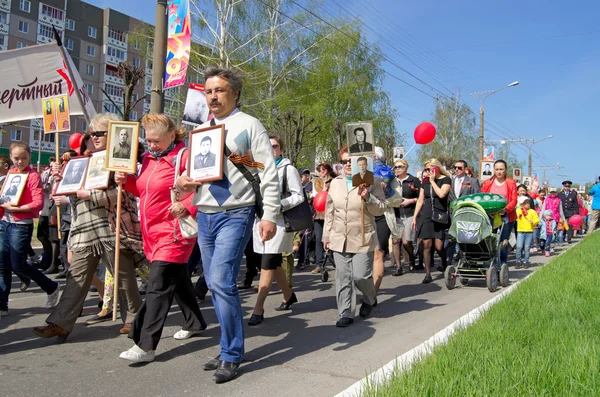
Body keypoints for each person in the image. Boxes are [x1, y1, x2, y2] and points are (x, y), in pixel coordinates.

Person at [176, 66, 279, 383]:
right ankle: (227, 347)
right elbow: (192, 176)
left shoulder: (249, 125)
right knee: (215, 283)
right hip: (204, 213)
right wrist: (183, 183)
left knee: (220, 279)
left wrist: (270, 214)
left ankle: (232, 354)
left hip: (236, 211)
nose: (212, 96)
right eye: (208, 91)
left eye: (219, 90)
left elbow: (267, 172)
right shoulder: (201, 129)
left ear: (234, 93)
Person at [33, 114, 143, 341]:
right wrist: (60, 179)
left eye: (99, 133)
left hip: (110, 226)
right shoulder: (80, 161)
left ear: (111, 134)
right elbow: (68, 192)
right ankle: (60, 322)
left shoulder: (120, 159)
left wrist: (89, 195)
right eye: (91, 134)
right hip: (83, 227)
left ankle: (133, 318)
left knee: (122, 275)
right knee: (76, 277)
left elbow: (124, 194)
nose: (93, 138)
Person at [116, 114, 207, 363]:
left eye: (157, 140)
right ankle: (194, 321)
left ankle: (145, 344)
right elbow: (143, 190)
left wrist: (188, 205)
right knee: (176, 280)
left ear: (172, 135)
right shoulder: (147, 158)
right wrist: (127, 181)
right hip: (151, 232)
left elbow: (205, 186)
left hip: (174, 231)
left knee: (157, 286)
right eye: (149, 140)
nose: (152, 145)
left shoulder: (185, 157)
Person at [322, 144, 386, 327]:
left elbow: (381, 208)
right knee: (343, 276)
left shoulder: (372, 181)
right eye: (344, 161)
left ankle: (369, 298)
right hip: (339, 237)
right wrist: (326, 236)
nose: (348, 164)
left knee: (360, 276)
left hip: (362, 236)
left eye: (351, 160)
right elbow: (330, 211)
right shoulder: (335, 183)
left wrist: (368, 197)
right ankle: (345, 312)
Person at [0, 143, 60, 317]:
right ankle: (2, 304)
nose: (20, 162)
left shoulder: (33, 176)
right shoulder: (11, 174)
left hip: (21, 223)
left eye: (24, 158)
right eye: (16, 158)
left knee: (19, 263)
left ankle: (51, 287)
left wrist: (16, 209)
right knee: (3, 263)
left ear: (30, 157)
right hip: (4, 221)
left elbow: (38, 203)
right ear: (11, 157)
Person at [248, 134, 302, 326]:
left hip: (278, 223)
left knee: (267, 262)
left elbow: (298, 196)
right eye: (268, 146)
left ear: (281, 149)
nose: (272, 150)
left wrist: (280, 205)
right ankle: (288, 295)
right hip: (260, 221)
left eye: (276, 146)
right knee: (273, 262)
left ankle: (258, 308)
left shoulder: (288, 169)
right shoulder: (258, 168)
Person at [411, 159, 452, 283]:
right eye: (426, 170)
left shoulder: (445, 179)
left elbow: (441, 194)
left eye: (430, 169)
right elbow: (420, 200)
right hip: (427, 214)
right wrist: (414, 217)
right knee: (427, 244)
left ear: (437, 168)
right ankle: (428, 273)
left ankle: (445, 262)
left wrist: (433, 181)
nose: (428, 172)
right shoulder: (425, 182)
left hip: (439, 214)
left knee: (439, 246)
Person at [480, 160, 518, 267]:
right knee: (491, 240)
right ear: (494, 170)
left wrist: (505, 210)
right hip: (491, 216)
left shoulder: (511, 183)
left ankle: (502, 264)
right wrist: (488, 211)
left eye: (501, 169)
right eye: (497, 169)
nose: (499, 172)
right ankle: (490, 263)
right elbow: (483, 198)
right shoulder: (487, 183)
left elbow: (514, 200)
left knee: (503, 242)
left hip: (506, 216)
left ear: (505, 170)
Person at [446, 159, 481, 265]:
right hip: (453, 215)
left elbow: (477, 197)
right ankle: (447, 262)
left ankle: (465, 260)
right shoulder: (450, 181)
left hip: (467, 214)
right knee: (452, 238)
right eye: (455, 167)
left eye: (459, 168)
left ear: (465, 169)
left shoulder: (472, 181)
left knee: (465, 239)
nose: (456, 170)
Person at [391, 159, 420, 275]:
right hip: (396, 214)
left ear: (406, 168)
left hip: (409, 213)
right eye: (395, 167)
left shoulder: (414, 180)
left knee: (406, 241)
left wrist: (410, 201)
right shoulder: (392, 181)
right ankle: (398, 267)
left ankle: (411, 258)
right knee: (395, 241)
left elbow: (422, 198)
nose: (397, 169)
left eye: (399, 167)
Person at [311, 162, 337, 275]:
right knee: (318, 239)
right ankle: (319, 264)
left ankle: (335, 260)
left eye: (322, 170)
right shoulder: (317, 183)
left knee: (332, 238)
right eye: (319, 171)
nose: (320, 173)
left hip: (330, 213)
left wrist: (327, 190)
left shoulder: (334, 182)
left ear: (326, 170)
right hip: (318, 214)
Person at [515, 197, 539, 268]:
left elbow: (537, 219)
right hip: (520, 231)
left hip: (529, 231)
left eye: (528, 203)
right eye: (525, 203)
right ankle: (518, 260)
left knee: (527, 247)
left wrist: (533, 222)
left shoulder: (532, 211)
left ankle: (526, 260)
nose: (527, 204)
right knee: (519, 246)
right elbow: (516, 216)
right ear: (521, 204)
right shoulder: (518, 210)